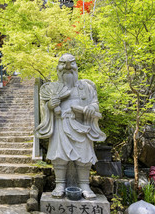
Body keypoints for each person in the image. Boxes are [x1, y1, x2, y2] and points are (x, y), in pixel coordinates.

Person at [35, 53, 106, 199]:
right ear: (57, 68)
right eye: (63, 64)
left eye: (71, 64)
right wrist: (49, 105)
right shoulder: (53, 88)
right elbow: (44, 108)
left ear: (77, 67)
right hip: (61, 123)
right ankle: (60, 184)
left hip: (82, 125)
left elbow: (95, 103)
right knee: (59, 155)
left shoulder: (86, 86)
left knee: (84, 155)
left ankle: (84, 184)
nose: (67, 67)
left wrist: (92, 108)